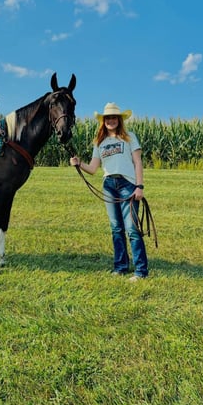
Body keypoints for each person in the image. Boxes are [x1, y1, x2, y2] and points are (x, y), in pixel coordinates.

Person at [70, 102, 149, 281]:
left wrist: (139, 186)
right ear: (103, 121)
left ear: (119, 120)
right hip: (109, 185)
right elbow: (93, 168)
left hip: (127, 184)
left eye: (114, 117)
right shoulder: (100, 142)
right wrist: (78, 163)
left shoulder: (129, 137)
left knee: (132, 229)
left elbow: (138, 162)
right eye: (108, 118)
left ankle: (140, 271)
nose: (111, 120)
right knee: (116, 228)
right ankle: (120, 267)